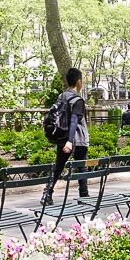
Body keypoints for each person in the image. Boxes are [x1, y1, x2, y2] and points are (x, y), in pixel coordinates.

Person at [42, 68, 89, 206]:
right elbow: (74, 120)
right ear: (79, 81)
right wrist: (70, 141)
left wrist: (66, 140)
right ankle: (84, 196)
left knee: (58, 166)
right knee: (82, 166)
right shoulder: (77, 100)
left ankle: (47, 193)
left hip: (62, 136)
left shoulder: (62, 96)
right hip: (76, 139)